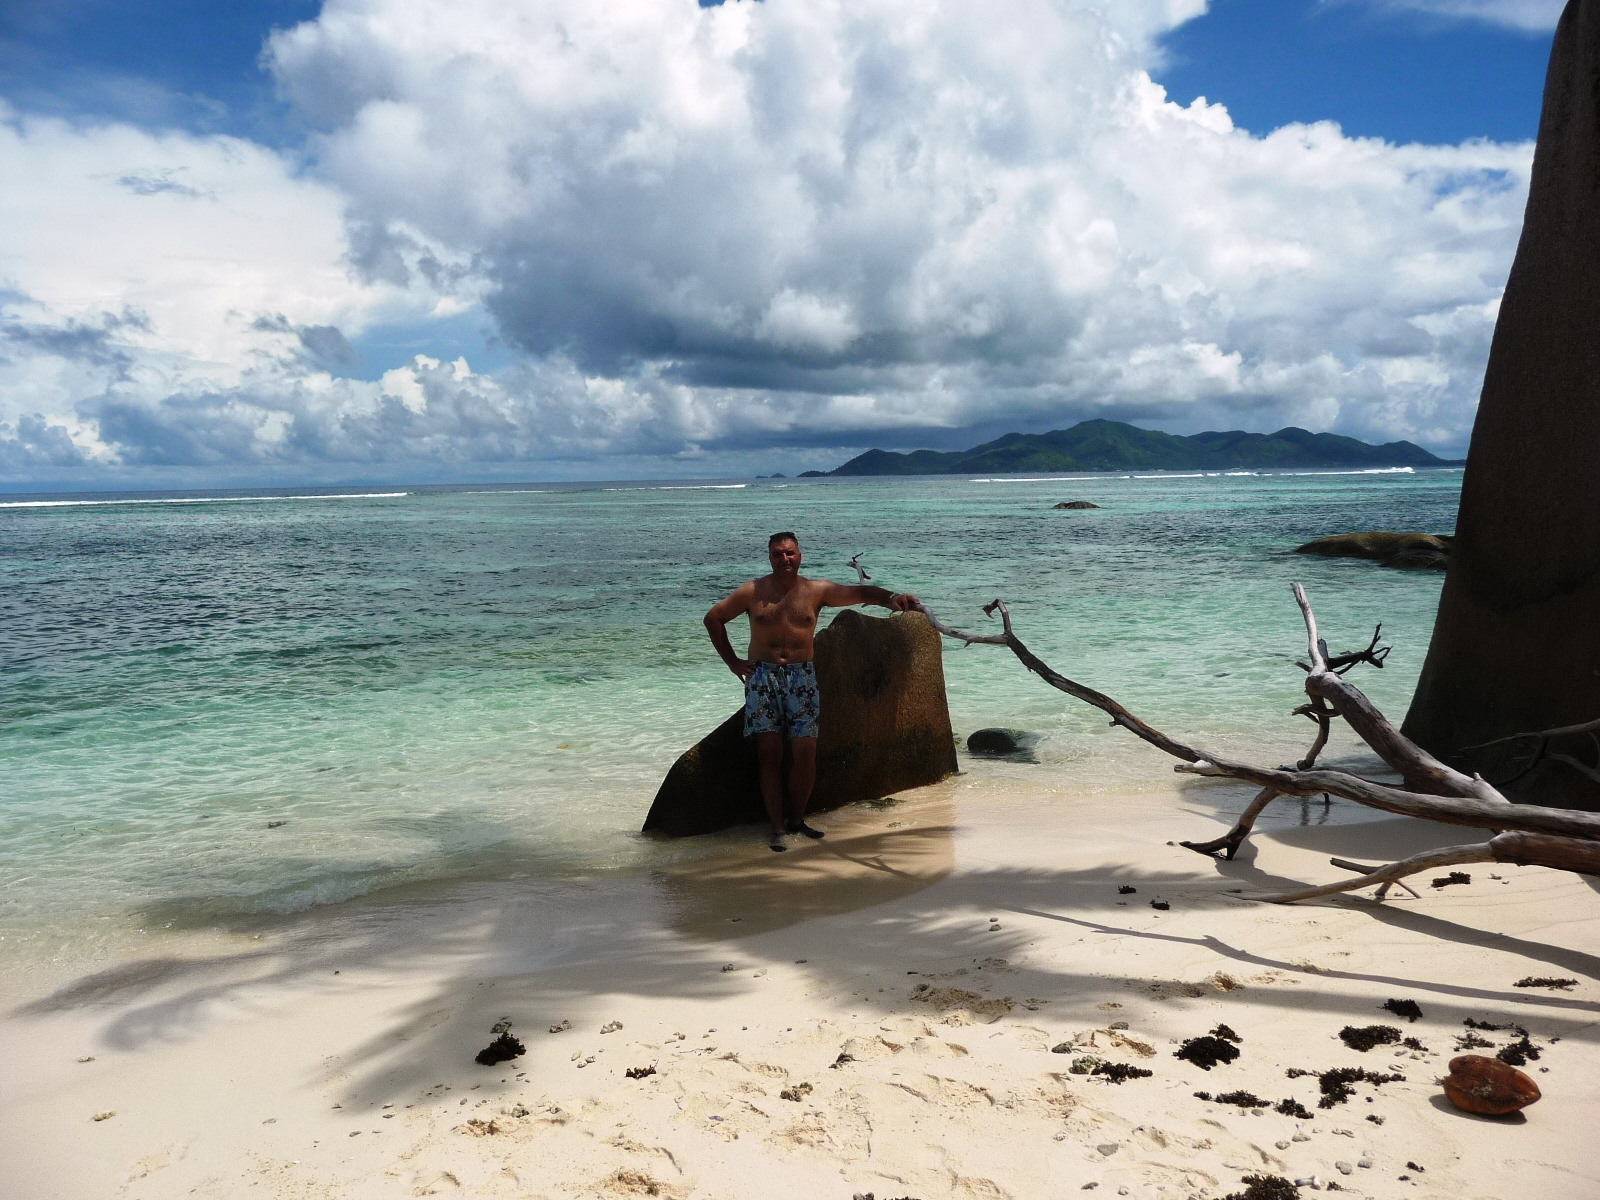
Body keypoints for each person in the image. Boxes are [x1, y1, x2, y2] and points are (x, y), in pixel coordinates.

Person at [704, 532, 920, 851]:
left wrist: (891, 598)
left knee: (805, 754)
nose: (785, 559)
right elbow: (714, 618)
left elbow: (859, 592)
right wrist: (733, 662)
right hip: (763, 679)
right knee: (770, 755)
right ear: (770, 558)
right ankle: (777, 828)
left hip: (802, 678)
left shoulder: (816, 590)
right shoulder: (752, 591)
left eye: (790, 553)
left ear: (800, 555)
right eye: (778, 554)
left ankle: (797, 821)